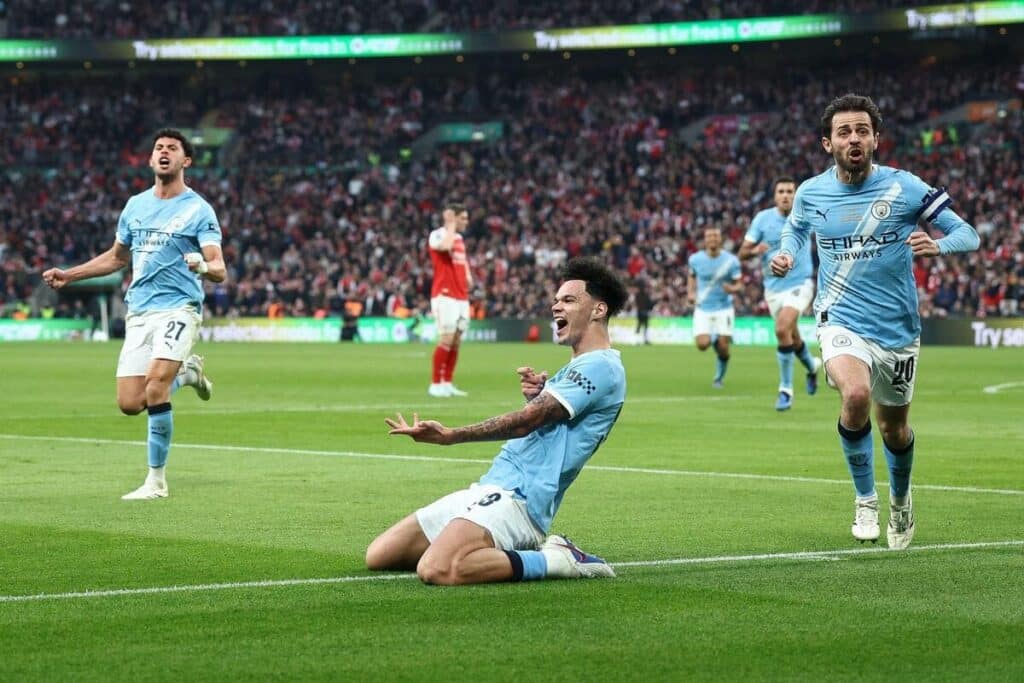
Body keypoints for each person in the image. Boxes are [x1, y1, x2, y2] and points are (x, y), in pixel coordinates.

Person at [770, 94, 979, 549]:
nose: (854, 138)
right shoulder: (811, 192)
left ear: (876, 138)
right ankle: (865, 499)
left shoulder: (904, 187)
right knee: (856, 393)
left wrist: (938, 246)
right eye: (844, 132)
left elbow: (968, 232)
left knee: (894, 429)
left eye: (862, 130)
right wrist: (785, 252)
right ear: (828, 143)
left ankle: (901, 500)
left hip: (898, 329)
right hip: (839, 317)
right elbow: (795, 229)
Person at [367, 256, 628, 586]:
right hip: (493, 485)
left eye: (569, 300)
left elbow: (524, 423)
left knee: (436, 569)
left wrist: (451, 435)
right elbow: (545, 422)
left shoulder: (601, 366)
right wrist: (539, 398)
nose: (556, 306)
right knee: (380, 555)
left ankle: (556, 559)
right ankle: (495, 547)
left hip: (521, 499)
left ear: (598, 310)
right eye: (556, 299)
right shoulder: (579, 367)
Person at [42, 128, 226, 500]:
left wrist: (202, 268)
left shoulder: (198, 209)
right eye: (159, 148)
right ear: (149, 159)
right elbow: (116, 258)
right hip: (140, 311)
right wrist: (70, 274)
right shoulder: (135, 206)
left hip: (179, 308)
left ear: (185, 161)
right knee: (130, 403)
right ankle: (188, 373)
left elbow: (219, 267)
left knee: (156, 384)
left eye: (172, 149)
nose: (164, 152)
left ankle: (156, 482)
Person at [739, 177, 822, 411]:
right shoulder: (762, 220)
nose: (786, 195)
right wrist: (755, 250)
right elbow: (741, 254)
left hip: (801, 283)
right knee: (792, 337)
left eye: (790, 191)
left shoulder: (807, 215)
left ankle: (785, 390)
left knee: (781, 328)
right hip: (773, 288)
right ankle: (812, 367)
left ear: (796, 195)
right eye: (781, 191)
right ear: (775, 196)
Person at [687, 226, 743, 388]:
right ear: (704, 240)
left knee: (724, 348)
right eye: (709, 236)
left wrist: (732, 289)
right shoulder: (695, 259)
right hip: (703, 308)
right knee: (702, 345)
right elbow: (691, 277)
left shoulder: (731, 261)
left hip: (724, 308)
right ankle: (714, 338)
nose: (712, 239)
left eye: (715, 236)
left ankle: (718, 378)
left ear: (721, 239)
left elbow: (739, 284)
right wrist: (690, 293)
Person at [427, 202, 473, 397]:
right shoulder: (437, 235)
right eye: (462, 218)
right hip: (444, 295)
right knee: (445, 338)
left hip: (461, 295)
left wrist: (468, 275)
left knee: (456, 340)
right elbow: (445, 247)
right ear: (452, 218)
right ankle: (435, 384)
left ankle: (447, 382)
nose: (466, 222)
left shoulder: (460, 239)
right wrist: (451, 225)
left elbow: (463, 261)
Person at [634, 277, 653, 345]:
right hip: (644, 312)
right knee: (645, 326)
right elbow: (649, 304)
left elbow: (637, 303)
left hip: (640, 312)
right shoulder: (646, 295)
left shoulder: (637, 295)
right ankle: (645, 340)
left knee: (639, 325)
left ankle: (637, 340)